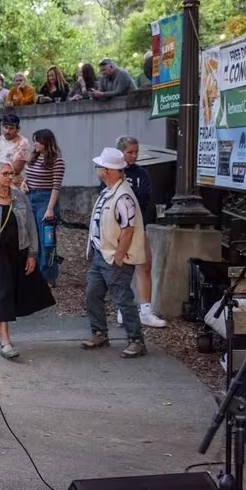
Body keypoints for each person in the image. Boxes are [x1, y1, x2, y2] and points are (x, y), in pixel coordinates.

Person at [83, 147, 147, 358]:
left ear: (108, 170)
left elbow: (128, 230)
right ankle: (99, 332)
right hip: (101, 254)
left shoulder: (123, 196)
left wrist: (119, 256)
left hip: (113, 256)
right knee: (93, 294)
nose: (97, 169)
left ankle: (136, 340)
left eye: (100, 166)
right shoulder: (111, 191)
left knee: (122, 299)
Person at [0, 161, 37, 359]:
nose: (9, 177)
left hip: (18, 251)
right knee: (2, 293)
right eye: (5, 173)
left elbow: (31, 225)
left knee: (9, 292)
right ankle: (5, 340)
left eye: (12, 173)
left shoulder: (19, 197)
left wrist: (32, 254)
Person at [117, 136, 166, 329]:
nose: (134, 155)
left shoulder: (142, 173)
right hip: (118, 226)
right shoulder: (112, 171)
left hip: (138, 223)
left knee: (144, 264)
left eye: (136, 152)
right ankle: (123, 309)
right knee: (121, 268)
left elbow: (144, 196)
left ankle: (145, 309)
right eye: (130, 152)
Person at [24, 128, 64, 286]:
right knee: (32, 238)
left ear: (46, 142)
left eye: (38, 140)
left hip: (46, 200)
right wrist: (24, 183)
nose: (35, 144)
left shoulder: (57, 161)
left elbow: (56, 187)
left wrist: (50, 209)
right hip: (30, 198)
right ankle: (34, 273)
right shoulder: (34, 157)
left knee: (47, 241)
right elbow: (28, 176)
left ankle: (48, 275)